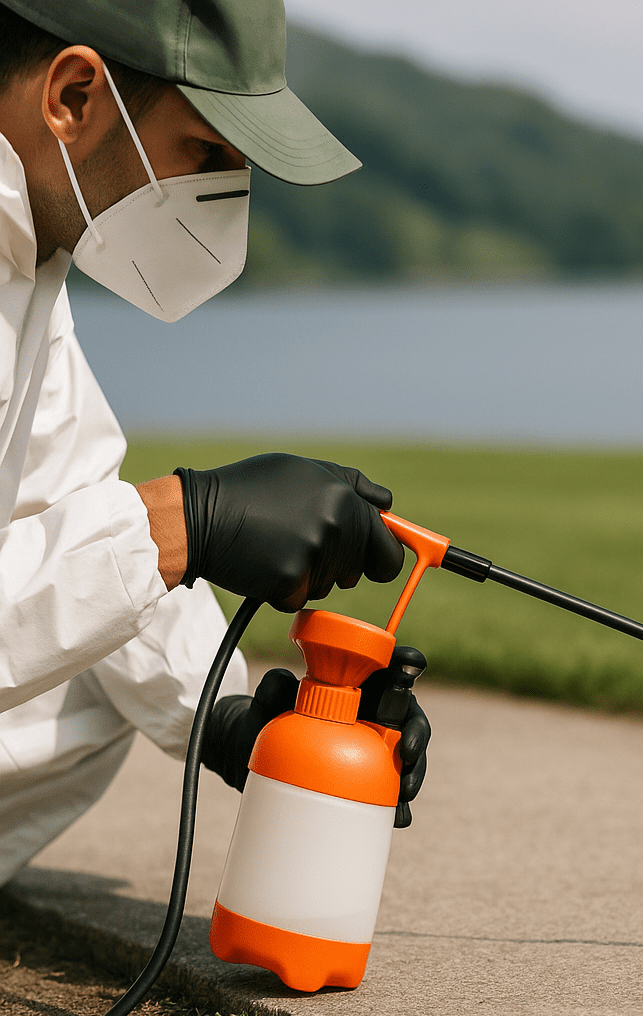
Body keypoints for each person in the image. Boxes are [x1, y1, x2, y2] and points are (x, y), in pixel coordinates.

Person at [0, 0, 430, 886]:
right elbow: (113, 542)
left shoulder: (30, 252)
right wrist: (184, 522)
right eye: (204, 153)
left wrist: (238, 719)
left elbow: (64, 502)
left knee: (90, 649)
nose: (222, 199)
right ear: (73, 96)